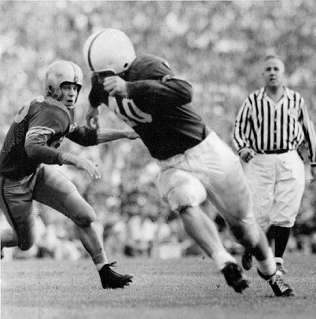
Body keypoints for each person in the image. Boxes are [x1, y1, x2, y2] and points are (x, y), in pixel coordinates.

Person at [82, 28, 294, 297]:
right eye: (98, 74)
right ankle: (223, 260)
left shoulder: (145, 67)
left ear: (119, 63)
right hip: (172, 164)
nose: (100, 79)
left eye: (104, 74)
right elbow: (95, 91)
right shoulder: (101, 78)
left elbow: (185, 91)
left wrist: (131, 88)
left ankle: (271, 273)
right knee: (183, 201)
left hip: (206, 151)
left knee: (245, 230)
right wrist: (92, 108)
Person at [0, 60, 136, 289]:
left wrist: (124, 133)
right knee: (25, 243)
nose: (72, 93)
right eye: (66, 87)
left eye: (75, 88)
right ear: (52, 87)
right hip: (12, 184)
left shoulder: (55, 109)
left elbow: (83, 136)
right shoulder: (51, 111)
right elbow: (32, 147)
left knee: (85, 215)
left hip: (35, 173)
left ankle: (105, 272)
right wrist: (74, 159)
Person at [233, 55, 316, 274]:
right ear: (263, 74)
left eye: (276, 69)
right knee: (258, 211)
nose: (272, 72)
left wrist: (315, 161)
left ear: (283, 74)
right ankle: (250, 247)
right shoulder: (252, 100)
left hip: (289, 157)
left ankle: (278, 261)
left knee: (286, 209)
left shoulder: (295, 100)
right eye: (268, 69)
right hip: (260, 159)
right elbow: (239, 127)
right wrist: (243, 147)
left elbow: (308, 130)